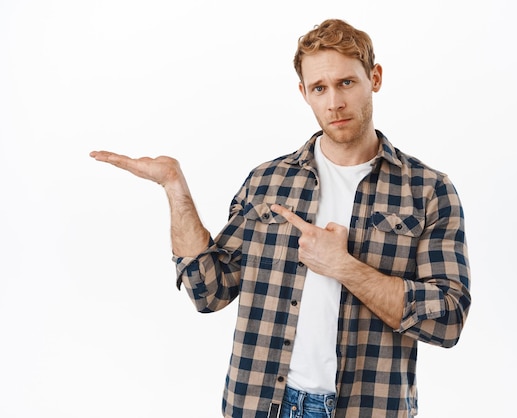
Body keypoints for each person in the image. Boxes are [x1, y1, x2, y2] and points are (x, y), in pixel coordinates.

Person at [90, 18, 471, 418]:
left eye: (346, 83)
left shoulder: (428, 191)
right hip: (260, 404)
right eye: (319, 88)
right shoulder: (268, 182)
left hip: (367, 408)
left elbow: (448, 320)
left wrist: (344, 267)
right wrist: (174, 187)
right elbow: (209, 291)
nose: (334, 102)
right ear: (304, 92)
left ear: (374, 78)